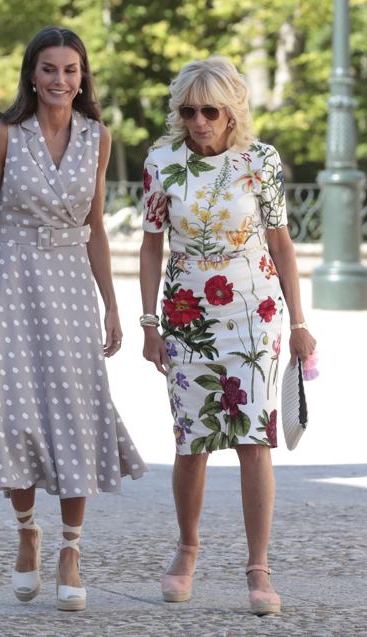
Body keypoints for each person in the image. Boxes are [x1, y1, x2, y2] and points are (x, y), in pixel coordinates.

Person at [0, 26, 147, 611]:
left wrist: (114, 304)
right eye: (49, 69)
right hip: (14, 280)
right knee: (13, 412)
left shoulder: (98, 136)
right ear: (32, 74)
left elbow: (96, 226)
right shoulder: (2, 134)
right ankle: (27, 532)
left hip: (71, 283)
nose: (60, 81)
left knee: (75, 414)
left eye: (71, 70)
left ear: (83, 76)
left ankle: (71, 548)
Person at [139, 56, 316, 616]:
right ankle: (186, 550)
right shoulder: (162, 162)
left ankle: (258, 567)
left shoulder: (260, 162)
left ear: (231, 110)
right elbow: (149, 246)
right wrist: (148, 322)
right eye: (188, 111)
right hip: (187, 311)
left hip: (255, 309)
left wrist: (302, 324)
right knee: (190, 438)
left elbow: (281, 243)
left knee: (254, 438)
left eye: (209, 110)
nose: (198, 122)